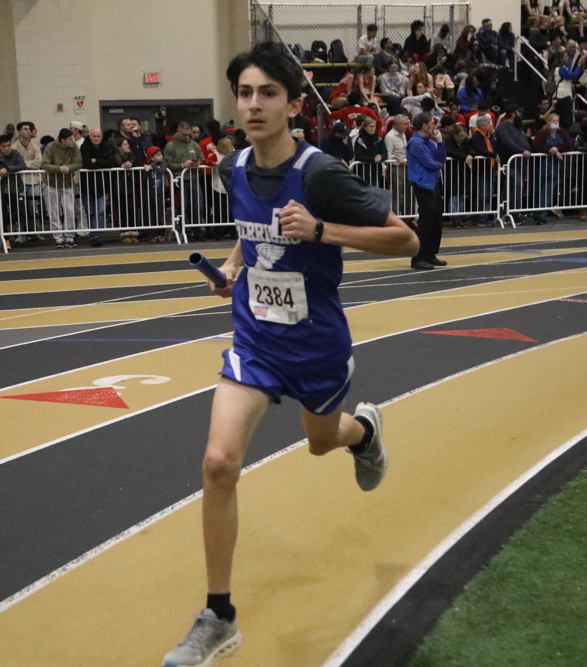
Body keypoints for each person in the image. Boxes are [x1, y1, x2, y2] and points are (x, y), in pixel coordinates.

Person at [162, 41, 418, 667]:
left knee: (320, 442)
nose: (253, 104)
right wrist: (230, 269)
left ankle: (362, 432)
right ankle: (218, 617)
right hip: (255, 341)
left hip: (317, 346)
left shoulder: (321, 174)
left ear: (294, 105)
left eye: (268, 94)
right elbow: (250, 234)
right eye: (245, 93)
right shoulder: (233, 167)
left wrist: (323, 230)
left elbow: (407, 240)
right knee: (218, 463)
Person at [407, 112, 446, 270]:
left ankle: (430, 254)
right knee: (425, 221)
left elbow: (441, 158)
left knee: (436, 220)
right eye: (431, 123)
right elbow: (431, 163)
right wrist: (439, 164)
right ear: (424, 126)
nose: (434, 126)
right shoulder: (415, 143)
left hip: (433, 183)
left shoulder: (428, 142)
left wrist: (440, 142)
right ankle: (417, 257)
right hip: (423, 185)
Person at [41, 128, 82, 248]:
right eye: (70, 139)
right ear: (62, 140)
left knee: (69, 210)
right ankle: (58, 238)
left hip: (67, 183)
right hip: (50, 183)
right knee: (53, 211)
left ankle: (70, 237)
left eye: (72, 138)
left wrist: (69, 168)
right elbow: (44, 164)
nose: (73, 141)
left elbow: (79, 163)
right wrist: (58, 169)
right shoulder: (51, 147)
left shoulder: (74, 147)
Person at [80, 127, 118, 246]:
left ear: (102, 137)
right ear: (90, 136)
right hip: (87, 184)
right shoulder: (84, 147)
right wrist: (100, 162)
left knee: (101, 210)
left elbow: (111, 163)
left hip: (103, 185)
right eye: (94, 136)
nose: (96, 139)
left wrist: (96, 160)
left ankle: (98, 235)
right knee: (90, 211)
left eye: (98, 136)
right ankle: (93, 234)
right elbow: (86, 163)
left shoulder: (107, 146)